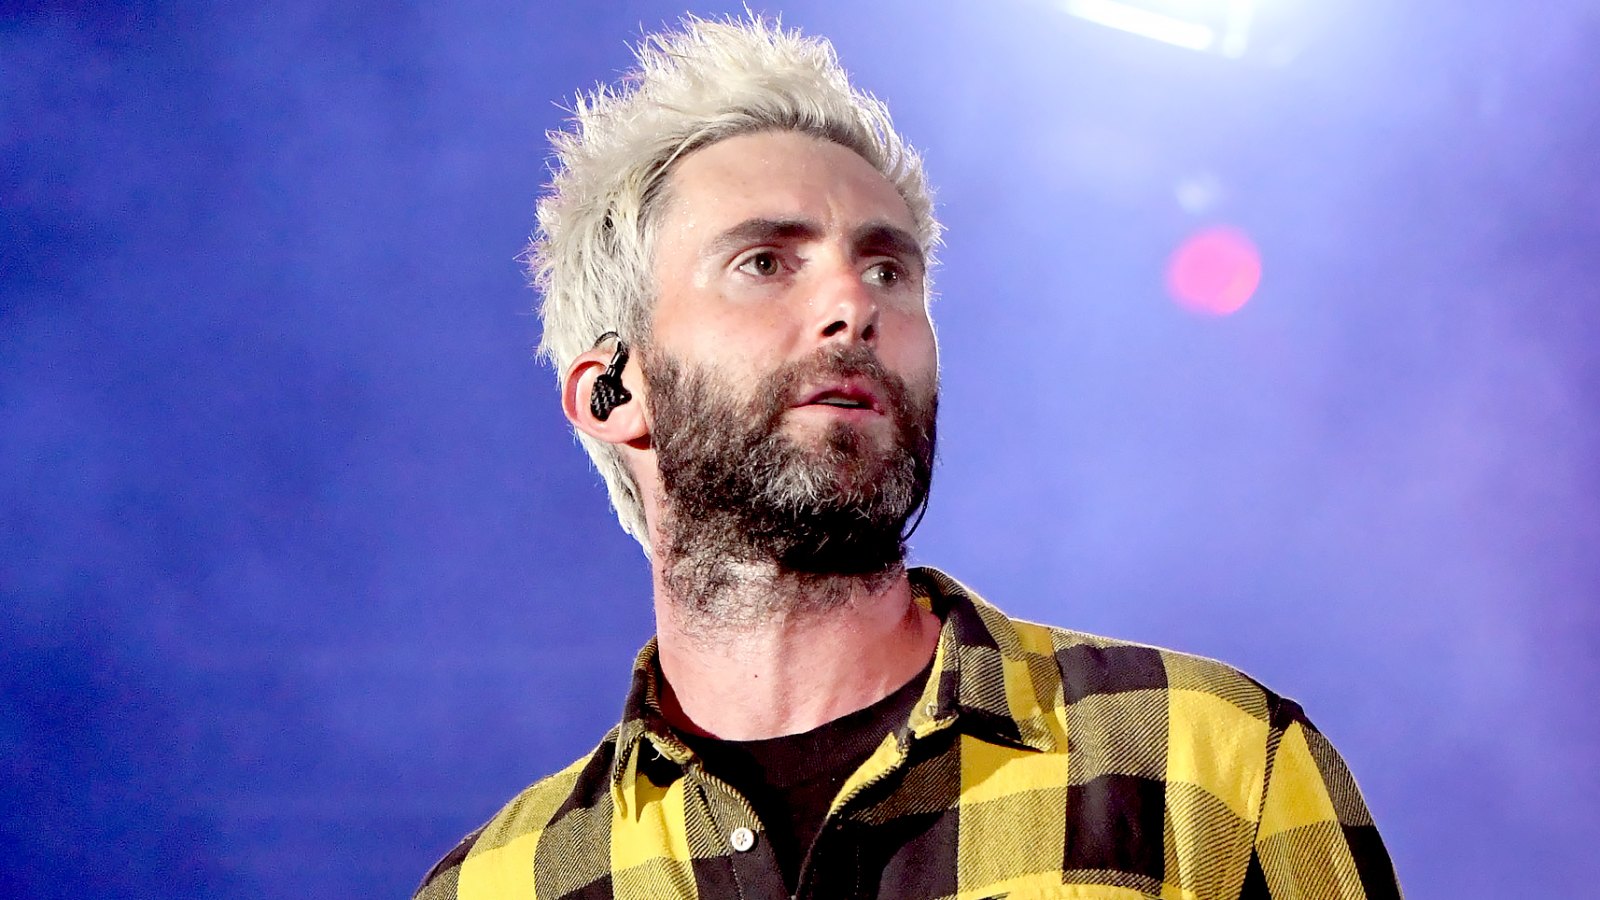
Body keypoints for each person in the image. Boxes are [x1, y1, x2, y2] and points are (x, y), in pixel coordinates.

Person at [415, 15, 1401, 900]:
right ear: (613, 393)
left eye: (888, 267)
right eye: (766, 262)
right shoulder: (502, 884)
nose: (854, 304)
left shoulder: (1209, 764)